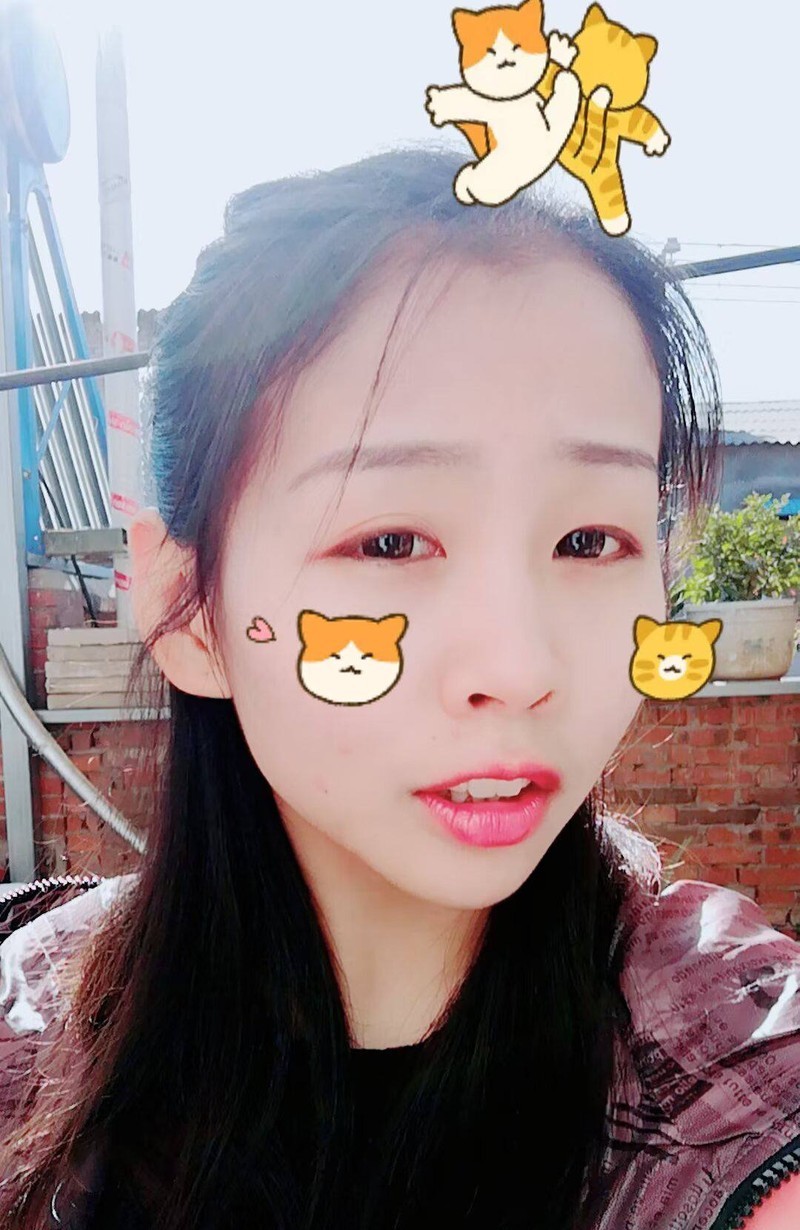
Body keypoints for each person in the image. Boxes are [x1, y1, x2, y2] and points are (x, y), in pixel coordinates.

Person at [1, 146, 799, 1230]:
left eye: (588, 539)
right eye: (389, 541)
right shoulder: (26, 1031)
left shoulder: (726, 1090)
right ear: (187, 609)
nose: (519, 670)